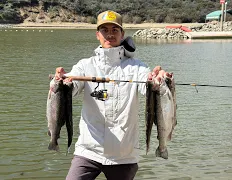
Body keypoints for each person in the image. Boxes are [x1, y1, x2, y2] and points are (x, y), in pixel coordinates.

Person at [52, 10, 170, 180]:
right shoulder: (85, 65)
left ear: (122, 34)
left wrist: (157, 79)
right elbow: (72, 85)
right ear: (97, 35)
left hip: (124, 154)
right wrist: (63, 81)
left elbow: (148, 85)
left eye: (115, 30)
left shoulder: (136, 67)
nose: (109, 34)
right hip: (89, 150)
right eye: (104, 30)